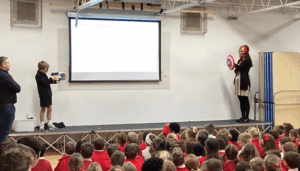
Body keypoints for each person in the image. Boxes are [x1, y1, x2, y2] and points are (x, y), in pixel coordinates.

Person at [0, 56, 21, 142]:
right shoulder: (5, 75)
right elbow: (17, 88)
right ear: (3, 65)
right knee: (4, 132)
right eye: (8, 63)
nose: (9, 65)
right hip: (6, 107)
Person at [35, 61, 60, 130]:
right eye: (46, 69)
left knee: (50, 108)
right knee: (43, 109)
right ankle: (41, 124)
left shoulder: (44, 74)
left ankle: (49, 123)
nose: (47, 70)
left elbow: (48, 82)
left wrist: (55, 81)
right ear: (42, 69)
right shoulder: (38, 75)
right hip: (43, 94)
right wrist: (52, 78)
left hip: (48, 93)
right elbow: (45, 82)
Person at [234, 45, 253, 123]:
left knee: (245, 99)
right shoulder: (240, 60)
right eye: (239, 51)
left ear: (246, 51)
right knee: (241, 100)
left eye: (241, 51)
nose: (239, 53)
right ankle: (242, 116)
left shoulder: (247, 61)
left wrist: (233, 64)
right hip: (238, 82)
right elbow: (237, 70)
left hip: (244, 82)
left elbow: (240, 68)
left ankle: (246, 117)